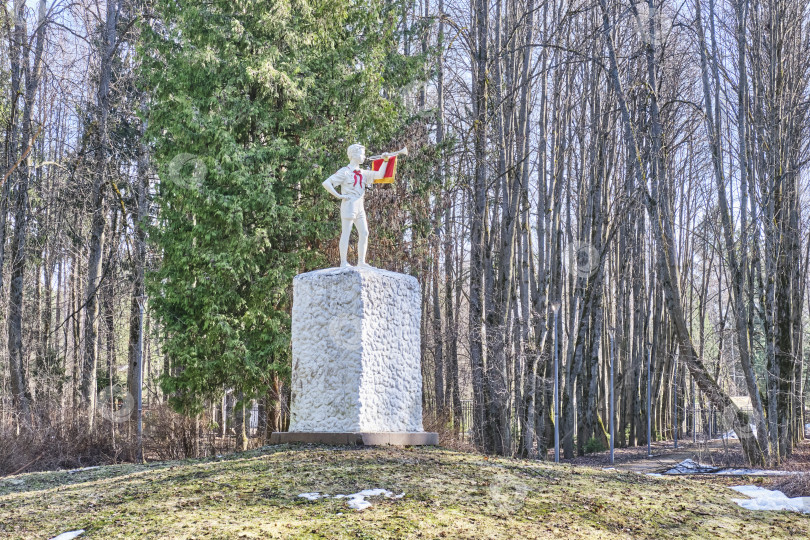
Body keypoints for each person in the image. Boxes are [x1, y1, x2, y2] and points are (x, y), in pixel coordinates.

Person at [322, 144, 390, 267]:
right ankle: (343, 262)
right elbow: (326, 183)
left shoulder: (363, 173)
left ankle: (361, 262)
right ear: (354, 154)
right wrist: (339, 195)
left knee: (364, 233)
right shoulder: (345, 172)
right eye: (362, 153)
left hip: (360, 206)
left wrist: (385, 160)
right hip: (349, 204)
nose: (364, 156)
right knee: (346, 232)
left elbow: (380, 175)